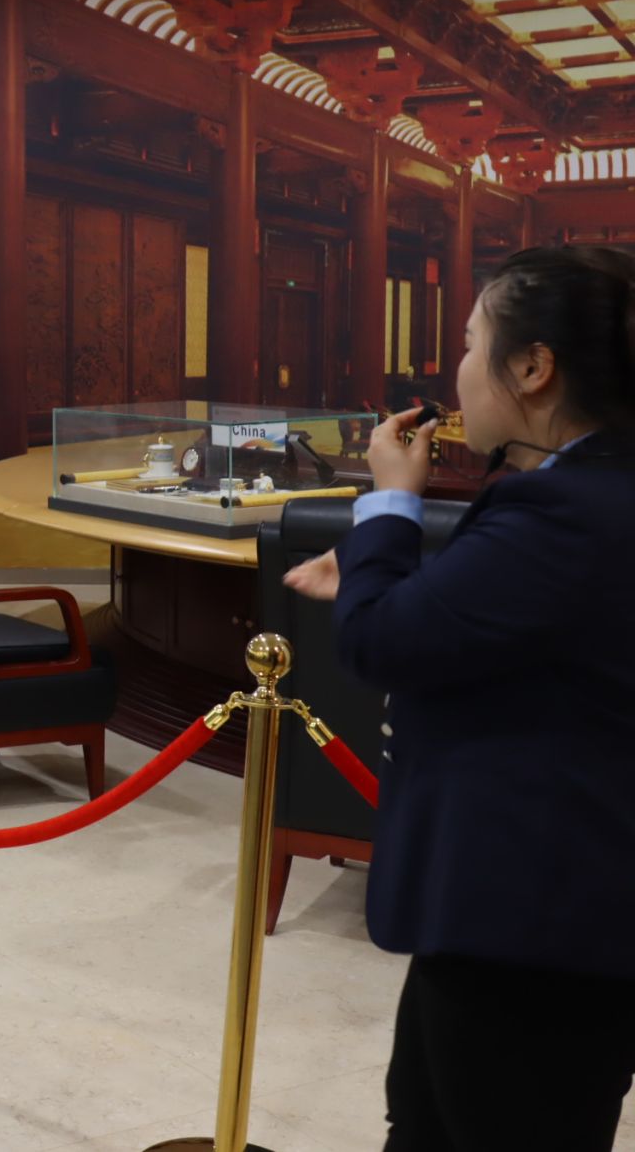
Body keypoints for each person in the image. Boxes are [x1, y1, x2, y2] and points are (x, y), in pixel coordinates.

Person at [285, 246, 635, 1151]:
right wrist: (387, 568)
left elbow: (377, 641)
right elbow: (512, 612)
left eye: (474, 343)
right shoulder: (587, 489)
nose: (460, 369)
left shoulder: (565, 510)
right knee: (427, 1116)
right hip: (534, 908)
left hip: (533, 918)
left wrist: (390, 504)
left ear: (534, 365)